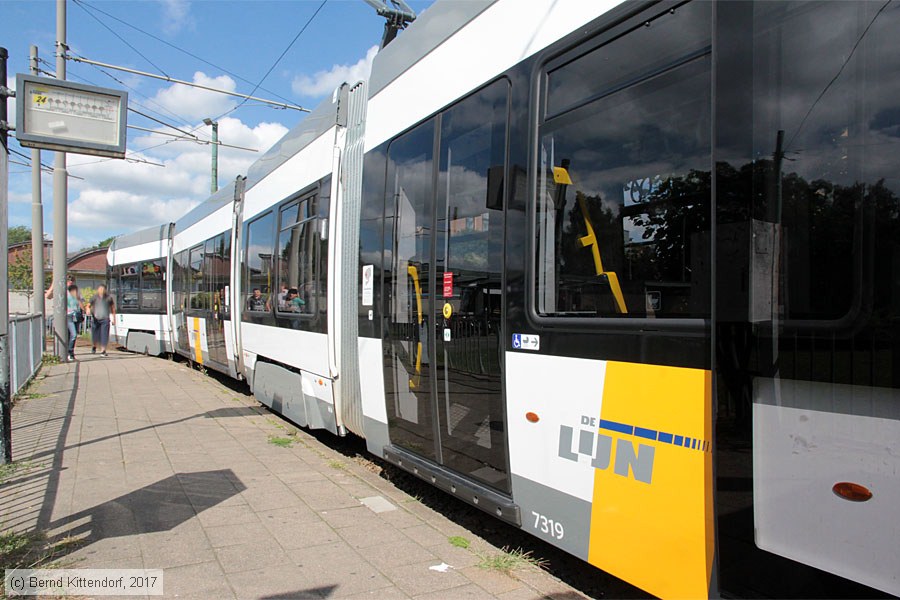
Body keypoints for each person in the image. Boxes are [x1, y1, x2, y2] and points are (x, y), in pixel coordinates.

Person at [88, 284, 116, 357]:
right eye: (100, 289)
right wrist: (88, 310)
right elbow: (88, 305)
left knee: (104, 335)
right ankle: (94, 345)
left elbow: (113, 308)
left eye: (103, 289)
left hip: (105, 319)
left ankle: (103, 350)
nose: (101, 291)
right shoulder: (94, 297)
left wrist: (114, 318)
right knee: (95, 335)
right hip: (96, 319)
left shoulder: (109, 298)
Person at [65, 284, 84, 361]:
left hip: (76, 316)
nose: (70, 282)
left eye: (72, 280)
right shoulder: (64, 292)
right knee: (73, 334)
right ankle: (69, 352)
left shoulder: (77, 292)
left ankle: (70, 352)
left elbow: (81, 302)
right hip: (68, 316)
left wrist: (84, 309)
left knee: (73, 334)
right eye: (69, 280)